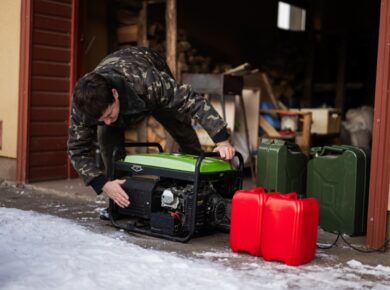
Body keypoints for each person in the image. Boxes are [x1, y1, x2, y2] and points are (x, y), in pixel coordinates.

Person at [67, 47, 235, 210]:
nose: (108, 121)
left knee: (181, 128)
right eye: (101, 119)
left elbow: (192, 100)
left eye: (109, 114)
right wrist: (103, 184)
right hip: (119, 83)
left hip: (146, 70)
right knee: (108, 145)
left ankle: (201, 185)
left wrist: (222, 140)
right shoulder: (83, 107)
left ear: (114, 94)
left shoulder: (147, 82)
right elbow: (77, 150)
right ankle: (121, 200)